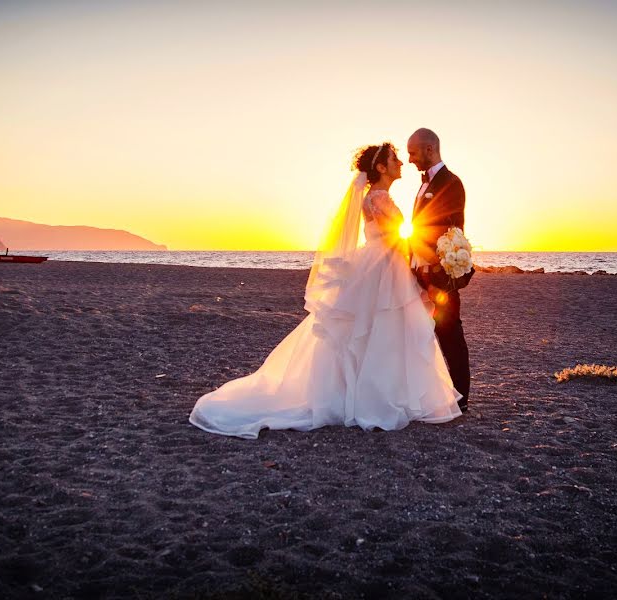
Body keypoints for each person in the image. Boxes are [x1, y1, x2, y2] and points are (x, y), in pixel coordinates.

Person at [189, 143, 461, 439]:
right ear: (381, 167)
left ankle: (362, 393)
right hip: (384, 268)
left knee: (368, 332)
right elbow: (400, 238)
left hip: (378, 265)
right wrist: (437, 258)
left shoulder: (374, 197)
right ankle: (378, 398)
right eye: (395, 159)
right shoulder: (380, 198)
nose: (402, 163)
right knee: (383, 330)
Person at [407, 128, 472, 412]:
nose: (409, 159)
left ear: (430, 149)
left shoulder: (451, 183)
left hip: (442, 273)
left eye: (413, 152)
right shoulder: (422, 184)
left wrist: (437, 268)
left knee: (450, 334)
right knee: (419, 333)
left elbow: (450, 230)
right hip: (418, 270)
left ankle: (461, 397)